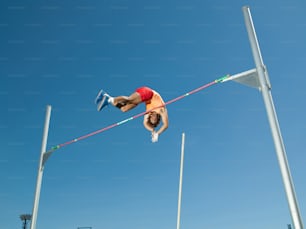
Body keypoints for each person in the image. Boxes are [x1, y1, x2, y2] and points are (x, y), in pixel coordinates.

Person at [95, 86, 168, 142]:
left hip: (143, 98)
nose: (152, 117)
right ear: (158, 118)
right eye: (154, 119)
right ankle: (108, 98)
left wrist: (152, 131)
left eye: (151, 119)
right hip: (148, 93)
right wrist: (158, 133)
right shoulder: (161, 109)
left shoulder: (149, 112)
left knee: (124, 109)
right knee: (129, 99)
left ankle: (108, 99)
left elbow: (145, 123)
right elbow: (165, 125)